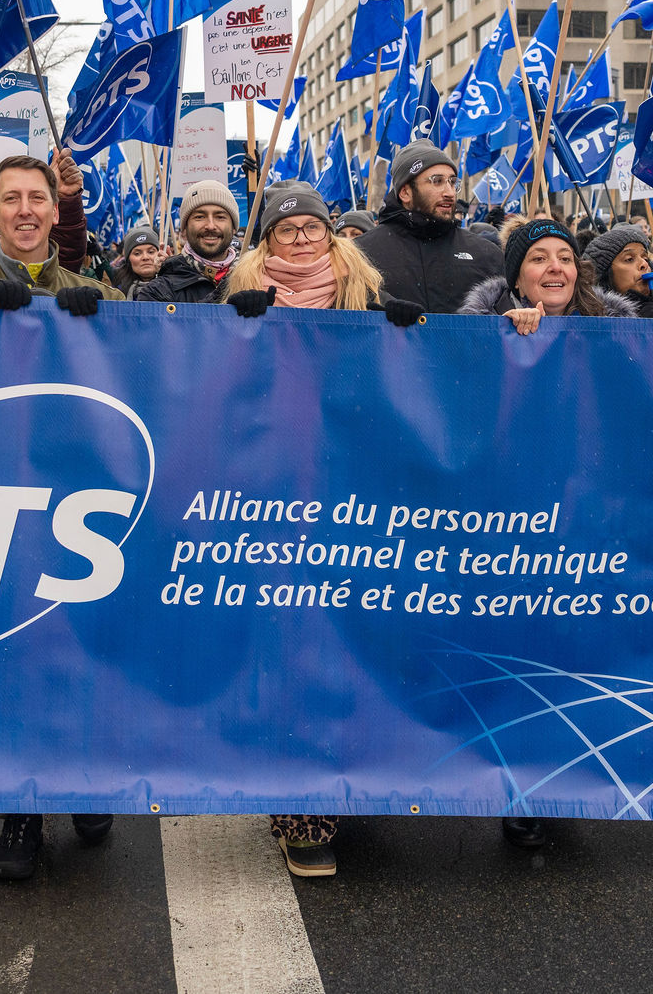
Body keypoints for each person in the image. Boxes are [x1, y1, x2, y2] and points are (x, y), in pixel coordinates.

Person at [213, 186, 420, 877]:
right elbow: (208, 391)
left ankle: (356, 782)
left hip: (359, 495)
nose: (300, 239)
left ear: (333, 235)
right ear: (265, 241)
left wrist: (416, 336)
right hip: (272, 498)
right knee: (292, 648)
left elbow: (418, 382)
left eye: (312, 227)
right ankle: (302, 814)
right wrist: (231, 335)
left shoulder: (366, 297)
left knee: (359, 642)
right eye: (286, 229)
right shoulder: (239, 298)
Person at [0, 154, 122, 878]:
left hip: (77, 500)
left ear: (56, 212)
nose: (25, 209)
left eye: (37, 198)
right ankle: (20, 810)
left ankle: (82, 775)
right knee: (6, 655)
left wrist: (107, 325)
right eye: (11, 198)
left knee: (80, 646)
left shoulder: (98, 290)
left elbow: (152, 372)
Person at [352, 143, 502, 312]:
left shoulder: (486, 254)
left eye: (452, 182)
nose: (450, 193)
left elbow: (509, 319)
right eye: (437, 181)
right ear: (405, 192)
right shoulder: (359, 255)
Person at [458, 215, 608, 327]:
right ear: (516, 279)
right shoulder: (478, 331)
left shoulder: (610, 330)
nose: (556, 267)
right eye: (539, 259)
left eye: (565, 259)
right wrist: (505, 333)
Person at [133, 180, 239, 304]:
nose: (210, 226)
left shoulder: (256, 277)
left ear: (233, 227)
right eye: (200, 217)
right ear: (184, 228)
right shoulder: (158, 291)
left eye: (220, 217)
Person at [583, 223, 653, 318]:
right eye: (629, 259)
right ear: (604, 274)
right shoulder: (588, 319)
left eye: (645, 258)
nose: (644, 264)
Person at [112, 225, 164, 293]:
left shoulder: (172, 285)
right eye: (137, 253)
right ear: (128, 260)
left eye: (151, 252)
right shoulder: (116, 292)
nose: (145, 257)